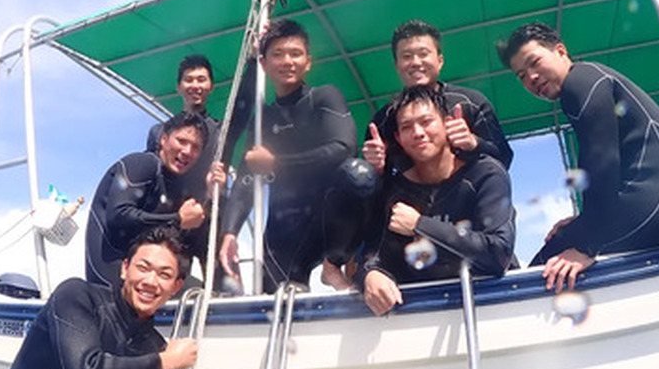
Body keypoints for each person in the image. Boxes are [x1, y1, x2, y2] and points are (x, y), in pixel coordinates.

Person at [497, 21, 659, 293]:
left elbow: (600, 160)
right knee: (566, 235)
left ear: (561, 51)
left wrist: (586, 244)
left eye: (535, 62)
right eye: (521, 75)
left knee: (538, 272)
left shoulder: (581, 81)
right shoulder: (595, 78)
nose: (531, 77)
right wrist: (583, 221)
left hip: (652, 209)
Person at [0, 227, 198, 369]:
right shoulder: (76, 297)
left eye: (164, 275)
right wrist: (166, 362)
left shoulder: (153, 348)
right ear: (125, 269)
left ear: (176, 286)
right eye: (143, 268)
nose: (150, 281)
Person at [218, 18, 368, 293]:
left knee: (360, 174)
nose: (287, 61)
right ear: (264, 64)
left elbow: (344, 149)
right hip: (284, 226)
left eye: (295, 54)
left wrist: (277, 163)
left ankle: (333, 265)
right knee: (273, 302)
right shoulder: (263, 120)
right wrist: (230, 232)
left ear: (308, 62)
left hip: (329, 217)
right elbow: (246, 178)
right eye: (278, 54)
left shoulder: (324, 97)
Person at [359, 84, 516, 315]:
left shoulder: (486, 174)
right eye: (407, 127)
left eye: (426, 122)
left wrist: (419, 225)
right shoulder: (395, 192)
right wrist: (370, 274)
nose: (418, 132)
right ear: (399, 138)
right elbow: (372, 254)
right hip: (425, 310)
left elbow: (498, 253)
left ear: (447, 124)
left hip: (494, 304)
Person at [84, 112, 225, 288]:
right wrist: (177, 220)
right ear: (163, 139)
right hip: (113, 283)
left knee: (208, 295)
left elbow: (198, 243)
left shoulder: (178, 186)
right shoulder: (142, 163)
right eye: (181, 141)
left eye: (195, 147)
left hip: (149, 279)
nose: (187, 151)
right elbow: (119, 216)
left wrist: (211, 196)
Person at [363, 19, 513, 178]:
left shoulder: (472, 103)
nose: (415, 62)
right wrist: (375, 168)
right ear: (396, 66)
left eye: (423, 54)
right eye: (406, 56)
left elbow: (503, 158)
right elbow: (370, 185)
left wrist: (474, 143)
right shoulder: (382, 121)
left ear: (440, 61)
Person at [145, 54, 254, 273]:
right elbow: (150, 179)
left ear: (211, 86)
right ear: (179, 87)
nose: (195, 85)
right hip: (174, 218)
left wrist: (252, 62)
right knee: (163, 280)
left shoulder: (223, 132)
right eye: (189, 80)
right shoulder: (160, 133)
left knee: (226, 287)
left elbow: (243, 107)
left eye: (201, 80)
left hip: (213, 219)